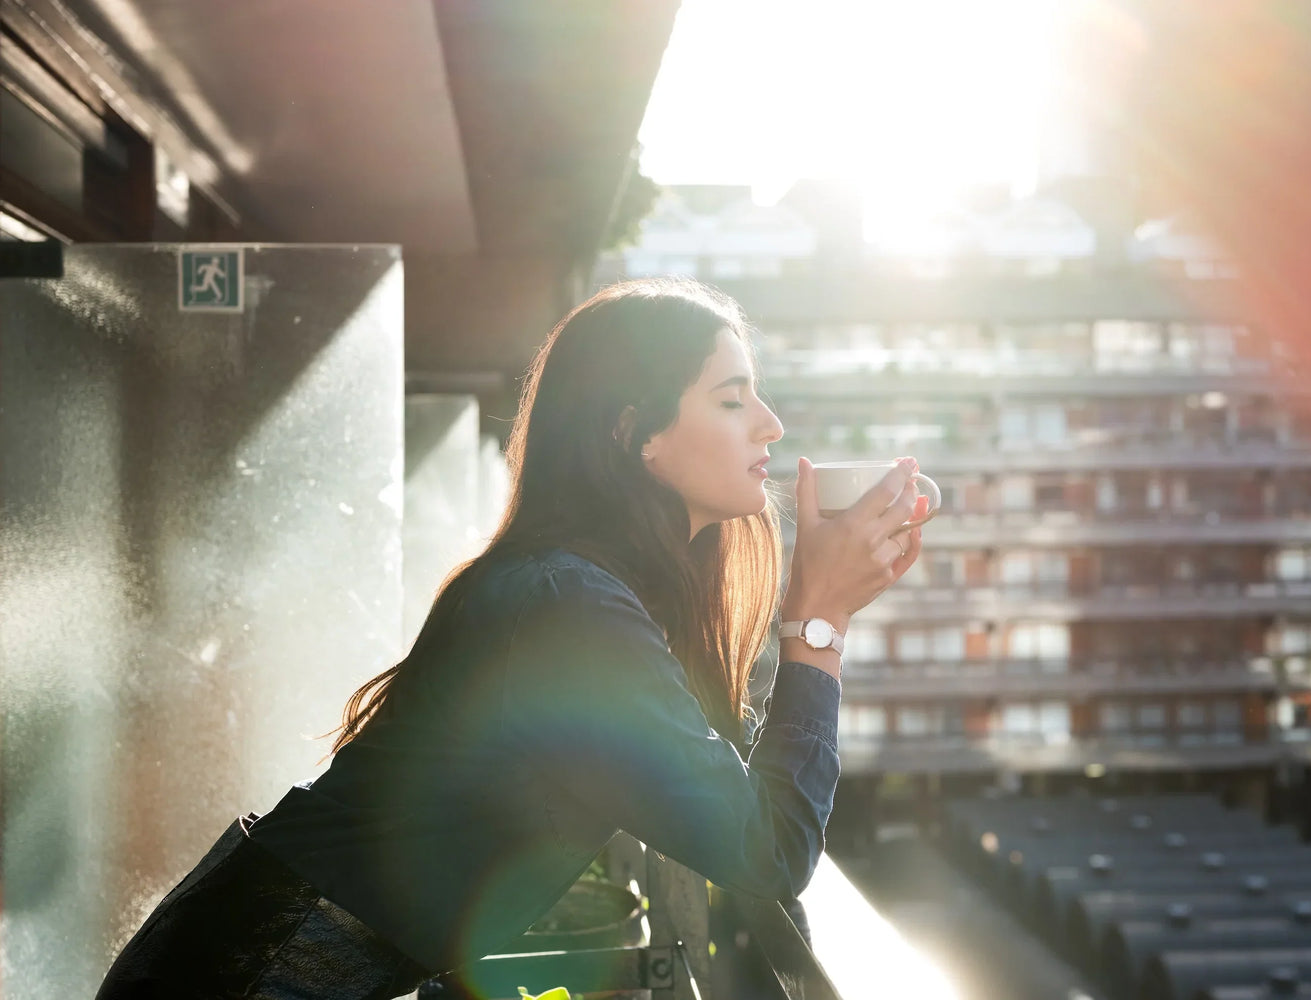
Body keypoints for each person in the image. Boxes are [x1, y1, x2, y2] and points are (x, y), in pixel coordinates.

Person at [96, 277, 928, 999]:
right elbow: (767, 850)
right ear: (634, 434)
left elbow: (723, 794)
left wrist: (816, 609)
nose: (771, 426)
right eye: (732, 398)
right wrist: (818, 623)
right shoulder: (567, 603)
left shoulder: (581, 591)